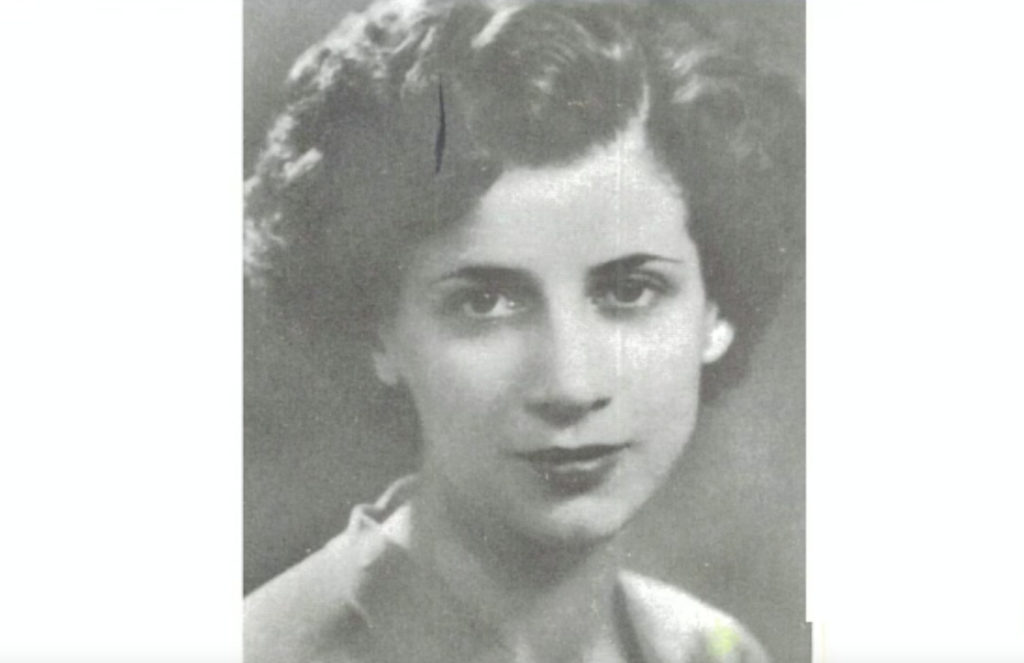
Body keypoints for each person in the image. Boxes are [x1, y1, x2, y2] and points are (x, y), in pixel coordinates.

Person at [243, 0, 804, 661]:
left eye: (629, 291)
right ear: (378, 329)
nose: (570, 385)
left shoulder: (713, 651)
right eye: (484, 301)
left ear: (717, 312)